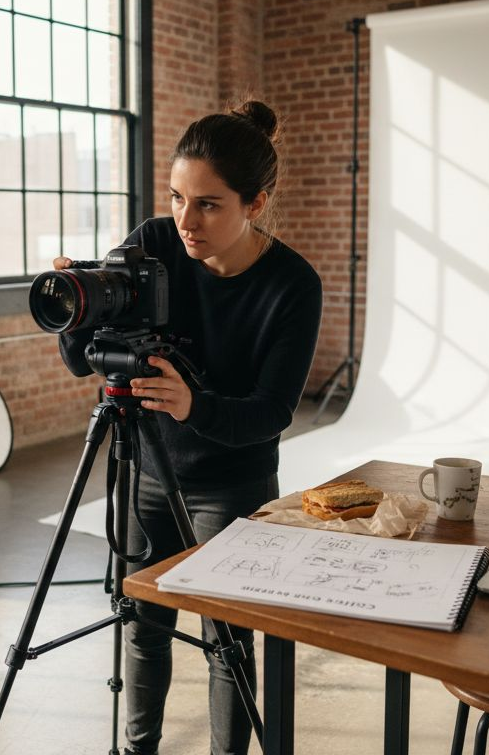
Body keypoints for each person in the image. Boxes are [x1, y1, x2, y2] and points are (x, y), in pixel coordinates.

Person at [54, 100, 322, 755]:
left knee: (225, 640)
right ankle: (134, 749)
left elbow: (271, 412)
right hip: (147, 466)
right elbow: (83, 361)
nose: (185, 220)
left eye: (208, 204)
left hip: (231, 483)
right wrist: (77, 309)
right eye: (176, 197)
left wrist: (192, 404)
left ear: (254, 203)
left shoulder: (292, 284)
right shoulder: (155, 243)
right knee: (142, 622)